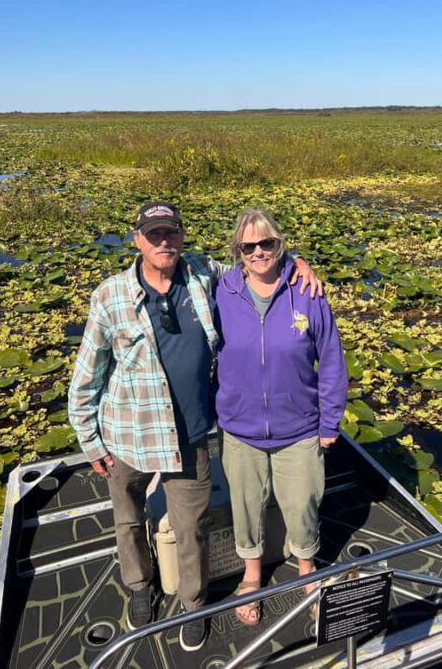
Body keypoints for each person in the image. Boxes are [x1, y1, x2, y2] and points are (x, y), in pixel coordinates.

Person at [68, 201, 321, 651]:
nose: (163, 242)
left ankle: (193, 603)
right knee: (128, 520)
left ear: (182, 237)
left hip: (191, 434)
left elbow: (259, 258)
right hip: (129, 433)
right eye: (154, 235)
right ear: (137, 240)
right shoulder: (111, 296)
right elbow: (86, 376)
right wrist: (90, 440)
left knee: (192, 526)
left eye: (170, 233)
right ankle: (139, 585)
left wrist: (299, 261)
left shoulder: (206, 276)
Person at [214, 209, 348, 626]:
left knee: (303, 504)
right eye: (248, 246)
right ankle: (252, 577)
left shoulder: (307, 293)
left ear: (280, 243)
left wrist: (330, 423)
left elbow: (330, 361)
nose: (258, 253)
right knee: (246, 507)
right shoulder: (221, 290)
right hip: (240, 428)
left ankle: (307, 569)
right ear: (238, 251)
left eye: (267, 243)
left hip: (299, 427)